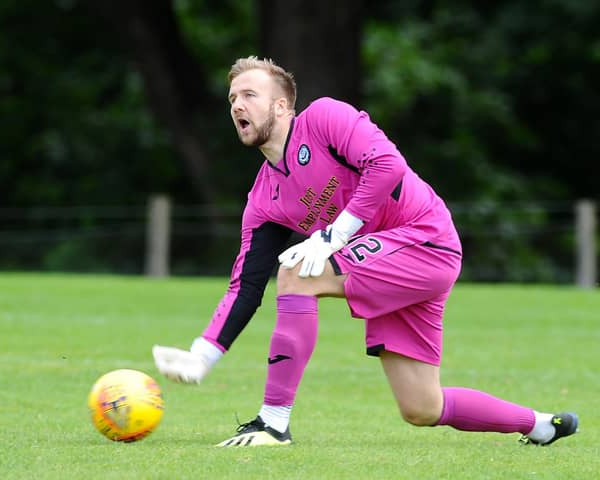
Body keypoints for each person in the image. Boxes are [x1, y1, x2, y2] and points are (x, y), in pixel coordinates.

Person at [152, 56, 579, 447]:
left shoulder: (323, 118)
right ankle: (541, 424)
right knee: (421, 407)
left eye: (249, 95)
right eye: (232, 99)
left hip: (424, 240)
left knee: (298, 273)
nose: (237, 106)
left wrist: (336, 235)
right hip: (387, 266)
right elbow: (244, 287)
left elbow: (388, 164)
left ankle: (273, 423)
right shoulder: (264, 199)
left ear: (282, 106)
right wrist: (202, 355)